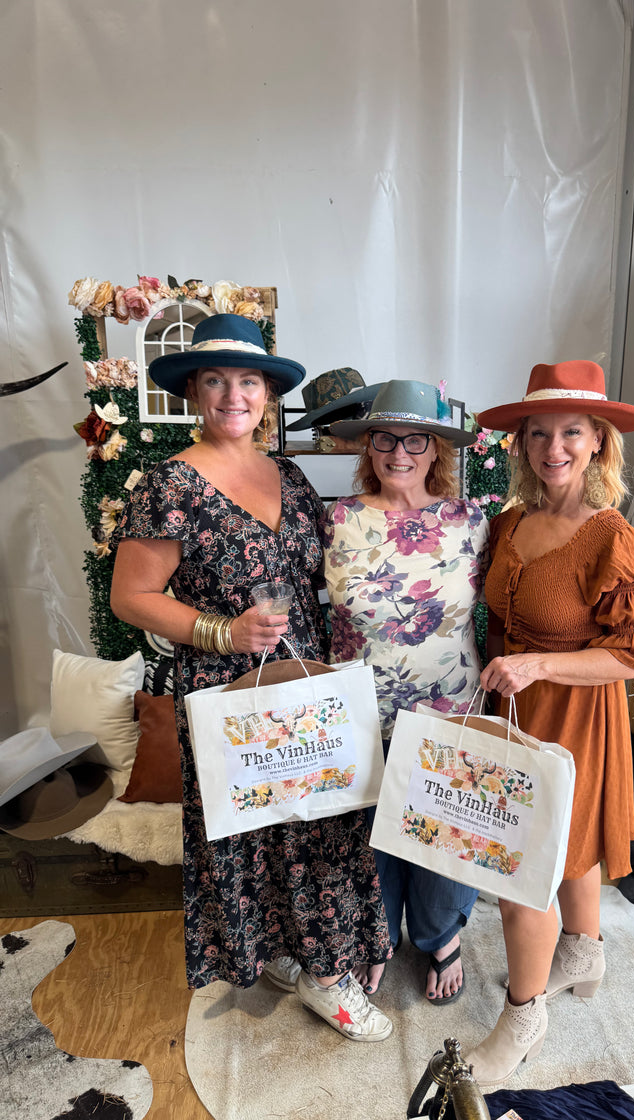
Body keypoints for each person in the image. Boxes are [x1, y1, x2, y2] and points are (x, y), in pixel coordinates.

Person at [110, 313, 393, 1043]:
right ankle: (316, 973)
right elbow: (130, 596)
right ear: (194, 393)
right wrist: (222, 631)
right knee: (256, 827)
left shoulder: (289, 476)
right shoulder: (169, 485)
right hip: (225, 686)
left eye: (247, 381)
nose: (233, 395)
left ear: (266, 394)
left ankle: (318, 963)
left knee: (322, 820)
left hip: (303, 681)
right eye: (215, 380)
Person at [463, 360, 634, 1085]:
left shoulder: (610, 538)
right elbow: (495, 621)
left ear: (599, 441)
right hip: (514, 708)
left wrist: (539, 666)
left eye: (572, 432)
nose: (554, 448)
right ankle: (583, 952)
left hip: (577, 710)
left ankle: (522, 1018)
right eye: (539, 433)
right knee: (563, 846)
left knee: (523, 867)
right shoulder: (510, 524)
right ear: (520, 444)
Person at [324, 379, 488, 1003]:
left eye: (415, 439)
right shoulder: (338, 519)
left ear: (435, 447)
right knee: (370, 831)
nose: (399, 452)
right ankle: (377, 934)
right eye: (385, 438)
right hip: (357, 706)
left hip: (449, 704)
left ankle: (439, 933)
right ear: (367, 445)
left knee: (444, 828)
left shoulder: (471, 522)